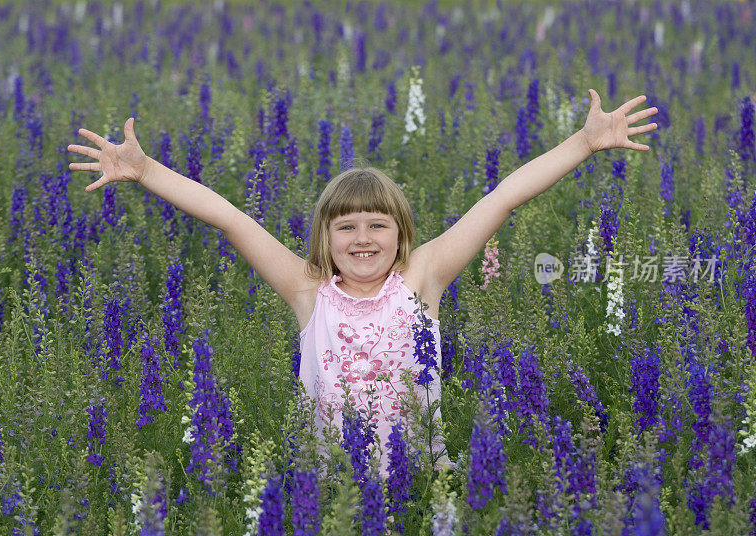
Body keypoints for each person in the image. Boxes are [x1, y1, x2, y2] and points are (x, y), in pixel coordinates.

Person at [67, 89, 657, 474]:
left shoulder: (424, 278)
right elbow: (230, 217)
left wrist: (583, 143)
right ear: (323, 240)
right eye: (345, 226)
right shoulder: (307, 292)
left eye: (378, 224)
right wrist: (145, 171)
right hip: (330, 487)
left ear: (403, 234)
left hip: (422, 478)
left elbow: (502, 199)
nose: (362, 238)